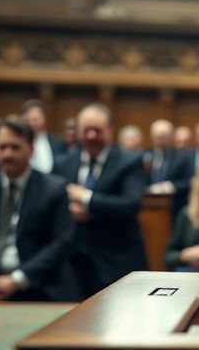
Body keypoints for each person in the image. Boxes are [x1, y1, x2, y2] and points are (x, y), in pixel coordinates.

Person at [0, 116, 77, 301]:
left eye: (15, 147)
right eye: (2, 147)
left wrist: (17, 279)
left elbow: (62, 243)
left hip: (36, 287)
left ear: (31, 149)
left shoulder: (53, 189)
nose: (7, 154)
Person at [52, 103, 147, 297]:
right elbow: (52, 205)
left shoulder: (130, 162)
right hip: (72, 265)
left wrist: (86, 198)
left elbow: (131, 204)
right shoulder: (62, 163)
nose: (91, 136)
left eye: (97, 130)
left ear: (110, 131)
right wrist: (69, 209)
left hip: (116, 263)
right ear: (78, 131)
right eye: (87, 130)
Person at [145, 119, 191, 214]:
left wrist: (171, 186)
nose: (160, 141)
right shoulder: (145, 156)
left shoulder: (182, 157)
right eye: (158, 137)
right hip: (148, 206)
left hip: (174, 207)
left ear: (171, 137)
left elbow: (189, 182)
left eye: (164, 137)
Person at [20, 99, 66, 174]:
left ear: (44, 119)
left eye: (35, 120)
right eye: (29, 120)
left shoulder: (59, 143)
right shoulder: (15, 144)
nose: (32, 123)